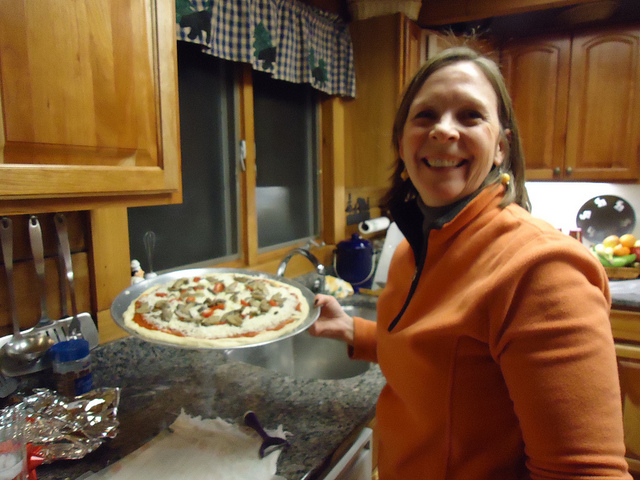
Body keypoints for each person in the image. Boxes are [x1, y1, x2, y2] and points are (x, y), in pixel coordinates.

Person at [309, 46, 632, 480]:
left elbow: (584, 474)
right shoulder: (413, 250)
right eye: (425, 115)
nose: (443, 130)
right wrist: (354, 331)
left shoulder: (542, 271)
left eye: (470, 116)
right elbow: (441, 357)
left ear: (500, 147)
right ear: (402, 144)